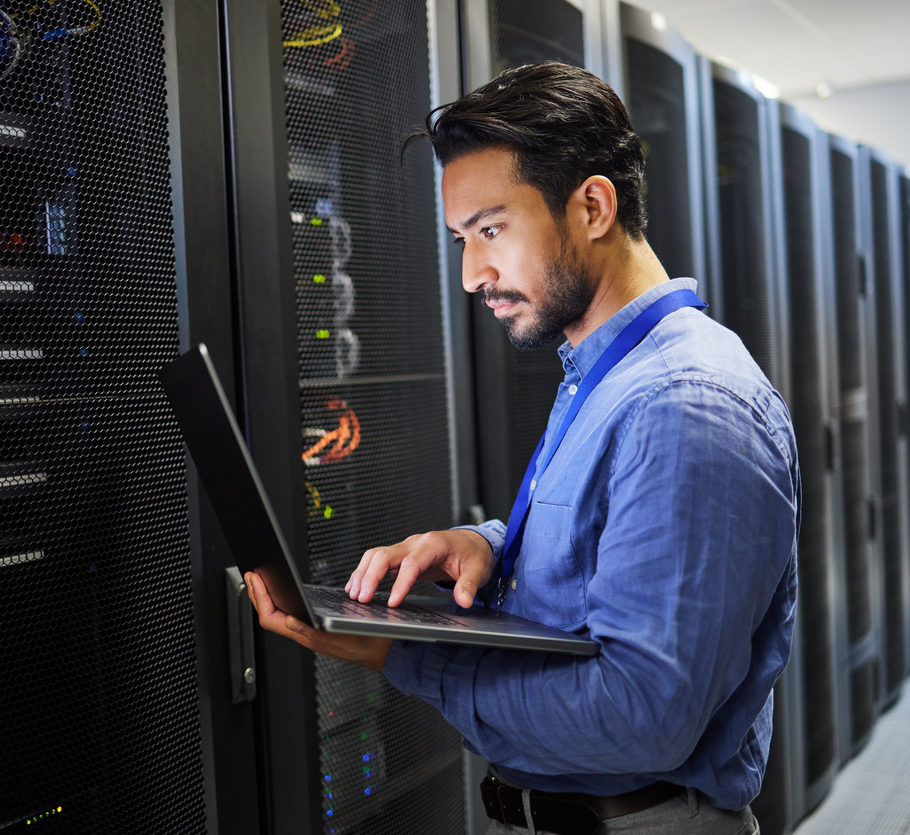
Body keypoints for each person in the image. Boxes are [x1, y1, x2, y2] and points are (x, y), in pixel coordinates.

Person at [245, 61, 799, 835]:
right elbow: (614, 544)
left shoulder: (686, 405)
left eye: (491, 230)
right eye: (462, 240)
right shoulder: (607, 374)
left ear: (594, 206)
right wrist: (484, 544)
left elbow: (644, 717)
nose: (473, 274)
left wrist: (401, 656)